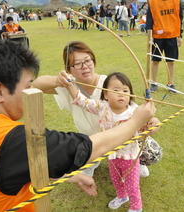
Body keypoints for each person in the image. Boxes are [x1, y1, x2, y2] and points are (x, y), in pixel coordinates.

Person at [0, 37, 155, 212]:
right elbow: (86, 148)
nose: (31, 92)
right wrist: (135, 122)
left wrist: (70, 177)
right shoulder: (11, 140)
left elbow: (13, 168)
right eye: (27, 87)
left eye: (88, 60)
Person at [33, 41, 161, 178]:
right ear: (69, 69)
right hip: (91, 142)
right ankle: (92, 161)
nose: (85, 67)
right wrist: (58, 80)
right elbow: (37, 84)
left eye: (88, 61)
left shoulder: (108, 83)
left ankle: (133, 160)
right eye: (77, 64)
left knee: (153, 153)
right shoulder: (68, 86)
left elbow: (133, 108)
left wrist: (152, 120)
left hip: (119, 138)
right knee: (72, 152)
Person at [64, 72, 151, 212]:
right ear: (105, 94)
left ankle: (136, 207)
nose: (121, 94)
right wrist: (70, 85)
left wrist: (151, 125)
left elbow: (147, 125)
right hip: (111, 154)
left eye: (125, 90)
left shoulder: (135, 112)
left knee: (132, 185)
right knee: (116, 179)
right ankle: (122, 196)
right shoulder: (102, 106)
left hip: (130, 156)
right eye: (115, 90)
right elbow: (83, 101)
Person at [146, 0, 183, 94]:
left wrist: (180, 36)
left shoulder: (176, 1)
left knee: (170, 61)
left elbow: (180, 18)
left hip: (171, 36)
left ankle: (170, 83)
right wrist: (150, 36)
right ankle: (154, 82)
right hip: (157, 36)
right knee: (155, 60)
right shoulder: (153, 2)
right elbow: (149, 19)